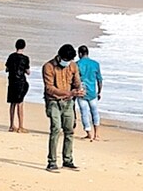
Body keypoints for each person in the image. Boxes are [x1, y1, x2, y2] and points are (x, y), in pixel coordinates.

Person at [42, 44, 85, 172]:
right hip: (53, 101)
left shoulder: (73, 66)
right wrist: (69, 93)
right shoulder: (48, 67)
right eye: (65, 60)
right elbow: (49, 88)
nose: (67, 62)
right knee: (56, 129)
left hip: (68, 103)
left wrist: (79, 90)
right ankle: (52, 161)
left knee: (69, 130)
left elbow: (76, 82)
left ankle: (68, 160)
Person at [75, 45, 103, 141]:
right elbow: (99, 80)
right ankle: (97, 134)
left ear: (80, 54)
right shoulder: (95, 64)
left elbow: (75, 79)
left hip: (81, 91)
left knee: (84, 113)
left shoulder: (77, 64)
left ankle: (89, 133)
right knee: (95, 112)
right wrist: (99, 91)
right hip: (92, 92)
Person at [4, 39, 30, 133]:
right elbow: (28, 72)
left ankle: (11, 125)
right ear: (24, 47)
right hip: (21, 82)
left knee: (12, 103)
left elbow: (7, 69)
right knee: (20, 103)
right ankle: (20, 126)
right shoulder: (25, 58)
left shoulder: (11, 56)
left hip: (12, 81)